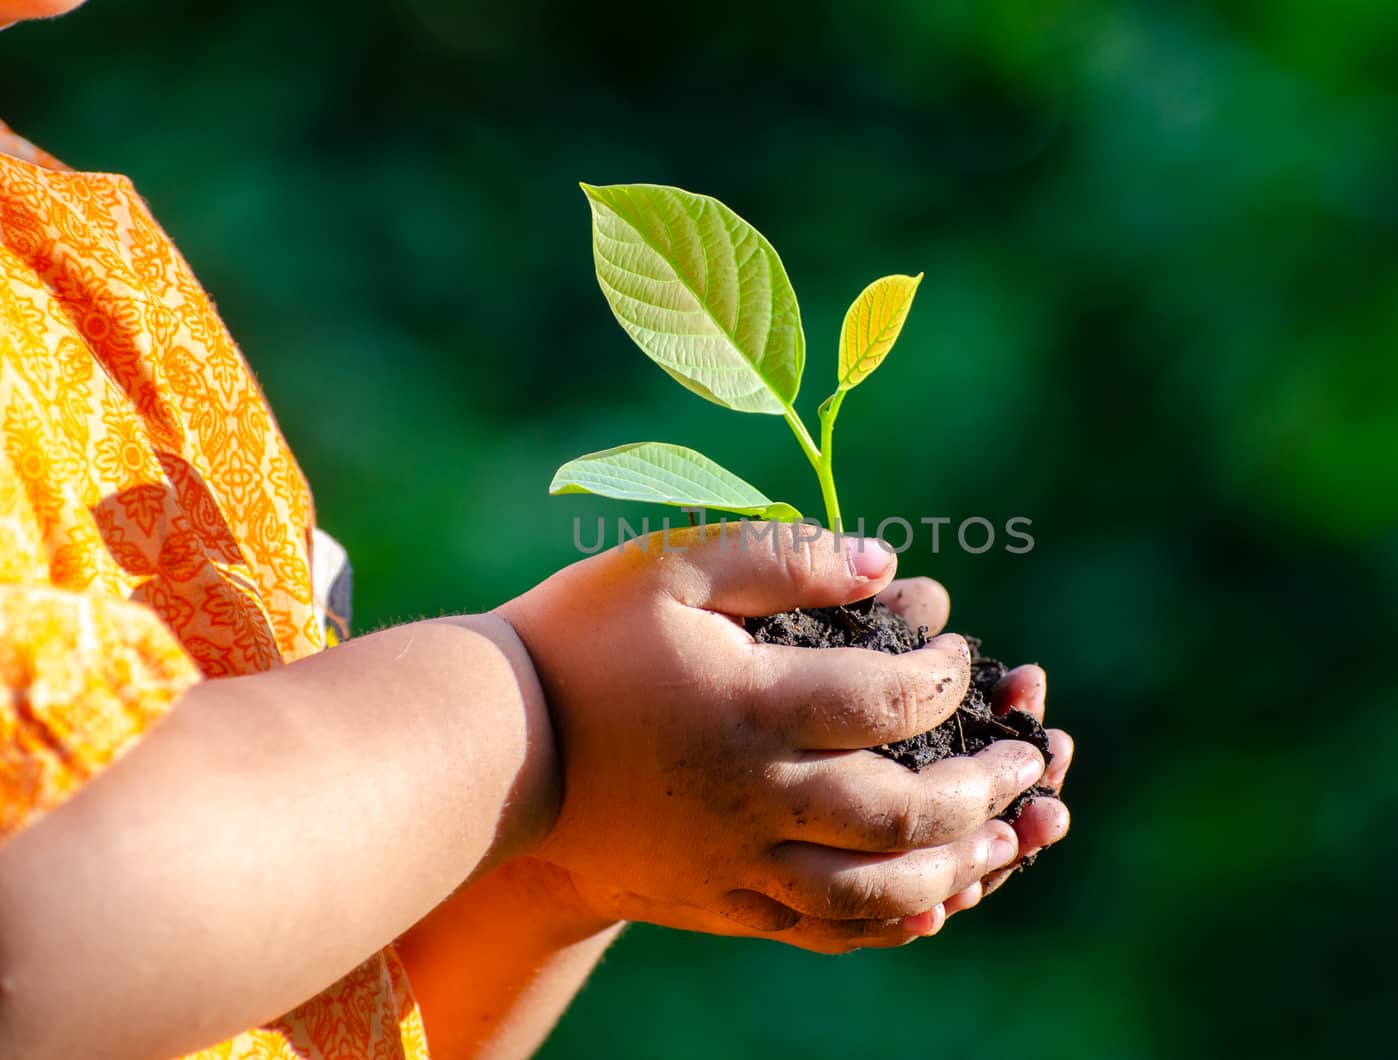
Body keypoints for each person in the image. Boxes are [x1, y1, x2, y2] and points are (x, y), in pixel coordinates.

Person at [0, 2, 1073, 1057]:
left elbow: (329, 1007)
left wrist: (562, 851)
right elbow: (35, 924)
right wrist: (532, 714)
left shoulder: (71, 235)